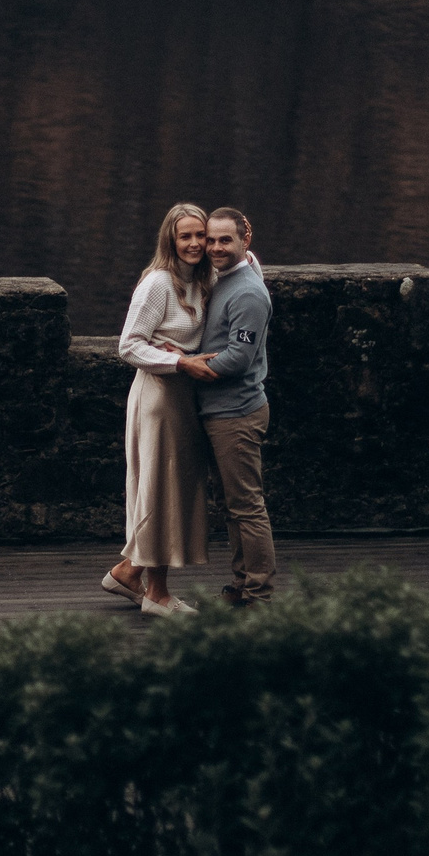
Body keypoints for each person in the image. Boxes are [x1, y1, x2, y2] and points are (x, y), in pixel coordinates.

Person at [103, 203, 215, 617]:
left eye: (201, 235)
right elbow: (128, 345)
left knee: (171, 488)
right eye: (185, 236)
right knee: (158, 489)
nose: (195, 243)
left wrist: (247, 242)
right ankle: (158, 594)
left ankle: (128, 573)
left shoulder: (204, 278)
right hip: (158, 397)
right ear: (171, 239)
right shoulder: (158, 283)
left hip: (183, 398)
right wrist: (179, 361)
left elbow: (251, 272)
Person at [177, 207, 275, 606]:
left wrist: (185, 363)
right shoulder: (226, 277)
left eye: (225, 240)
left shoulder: (247, 292)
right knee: (233, 508)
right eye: (211, 240)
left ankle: (258, 596)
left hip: (237, 414)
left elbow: (239, 359)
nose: (215, 248)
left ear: (244, 241)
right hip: (220, 413)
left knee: (247, 508)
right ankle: (241, 586)